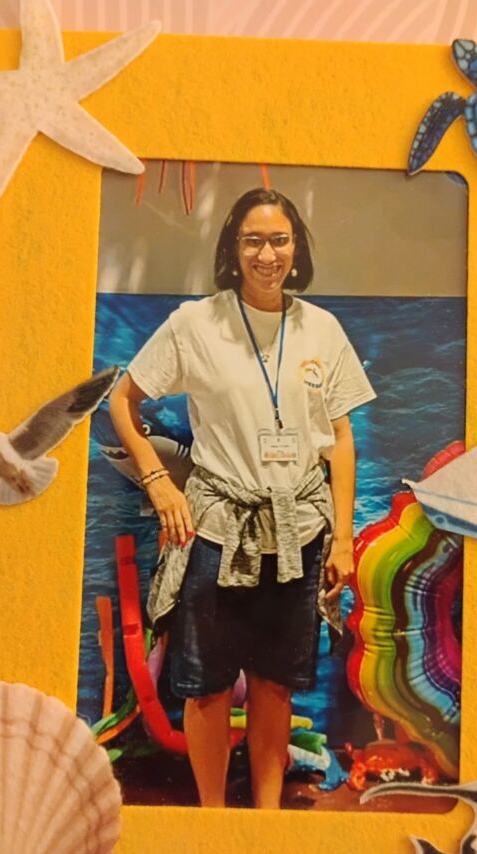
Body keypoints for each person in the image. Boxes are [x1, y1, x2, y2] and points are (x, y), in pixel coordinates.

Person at [109, 187, 375, 809]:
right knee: (205, 687)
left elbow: (340, 438)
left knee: (275, 685)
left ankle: (265, 822)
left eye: (279, 240)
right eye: (253, 240)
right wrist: (158, 481)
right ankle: (213, 822)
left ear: (296, 248)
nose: (267, 254)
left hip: (298, 532)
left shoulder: (322, 329)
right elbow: (123, 401)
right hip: (216, 531)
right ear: (233, 247)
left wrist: (341, 538)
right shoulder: (195, 324)